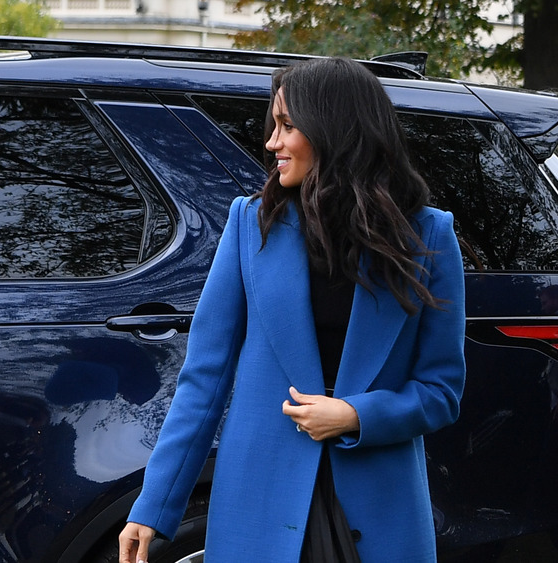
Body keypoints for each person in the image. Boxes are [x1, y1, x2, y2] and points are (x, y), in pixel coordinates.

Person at [118, 57, 465, 562]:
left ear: (334, 130)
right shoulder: (249, 224)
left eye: (287, 125)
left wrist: (354, 415)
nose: (271, 142)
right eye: (272, 125)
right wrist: (154, 506)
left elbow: (441, 391)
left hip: (379, 511)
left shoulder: (428, 235)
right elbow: (204, 380)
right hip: (258, 504)